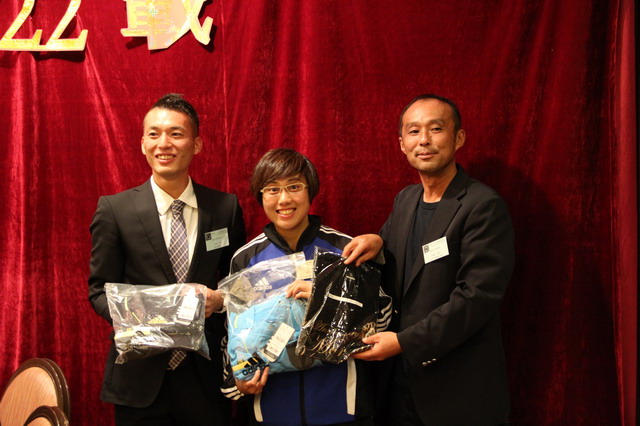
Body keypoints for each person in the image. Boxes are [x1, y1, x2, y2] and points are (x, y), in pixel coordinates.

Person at [347, 94, 515, 425]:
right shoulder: (406, 199)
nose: (423, 140)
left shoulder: (482, 205)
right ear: (401, 144)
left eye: (436, 129)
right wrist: (378, 242)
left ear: (459, 138)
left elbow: (476, 298)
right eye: (413, 131)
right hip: (399, 388)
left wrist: (403, 342)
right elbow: (395, 268)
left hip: (457, 392)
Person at [88, 93, 246, 425]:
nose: (164, 143)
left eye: (176, 133)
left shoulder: (224, 208)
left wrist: (220, 301)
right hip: (138, 377)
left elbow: (240, 285)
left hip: (204, 375)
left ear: (197, 144)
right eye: (154, 134)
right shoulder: (115, 210)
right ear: (143, 144)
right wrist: (142, 318)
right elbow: (99, 291)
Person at [221, 148, 392, 425]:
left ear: (310, 190)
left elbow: (381, 320)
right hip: (271, 411)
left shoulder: (345, 249)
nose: (284, 199)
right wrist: (239, 381)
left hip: (341, 409)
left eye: (294, 187)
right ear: (260, 195)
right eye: (272, 189)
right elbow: (235, 335)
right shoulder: (246, 260)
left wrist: (327, 298)